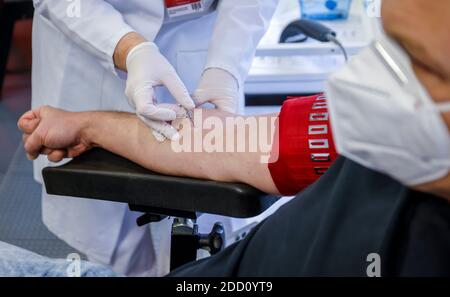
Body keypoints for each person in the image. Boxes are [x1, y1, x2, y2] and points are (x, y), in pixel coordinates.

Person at [31, 0, 278, 276]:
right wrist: (131, 49)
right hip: (89, 43)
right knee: (111, 243)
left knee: (205, 242)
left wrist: (226, 67)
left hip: (202, 37)